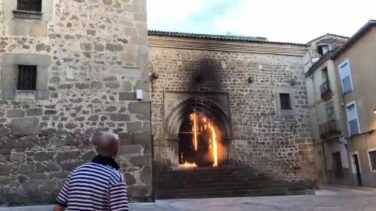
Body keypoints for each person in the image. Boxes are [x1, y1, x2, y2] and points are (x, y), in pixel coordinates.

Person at [54, 132, 129, 211]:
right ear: (116, 150)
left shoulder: (76, 172)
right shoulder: (115, 178)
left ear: (97, 149)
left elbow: (58, 208)